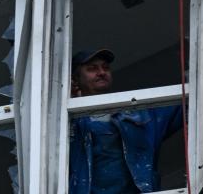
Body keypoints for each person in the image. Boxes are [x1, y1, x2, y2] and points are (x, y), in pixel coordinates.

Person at [69, 49, 183, 194]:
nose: (101, 72)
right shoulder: (69, 120)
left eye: (105, 67)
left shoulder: (139, 116)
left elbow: (184, 106)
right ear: (75, 79)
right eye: (92, 69)